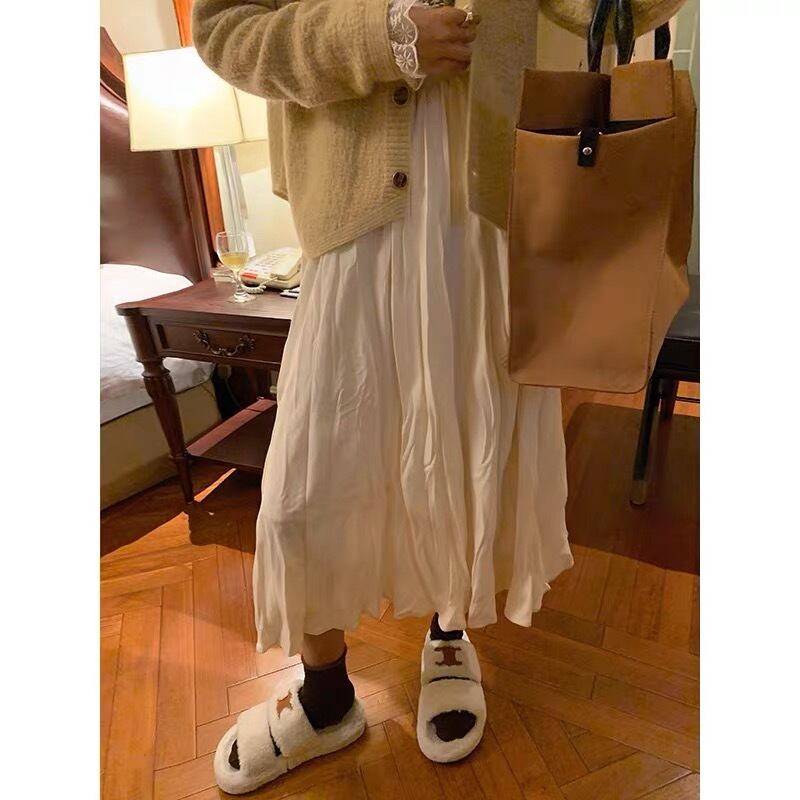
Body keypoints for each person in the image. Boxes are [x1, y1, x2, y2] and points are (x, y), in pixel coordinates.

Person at [192, 0, 683, 793]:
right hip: (351, 220)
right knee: (305, 488)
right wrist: (379, 38)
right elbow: (227, 31)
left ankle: (449, 635)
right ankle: (324, 697)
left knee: (465, 451)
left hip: (490, 218)